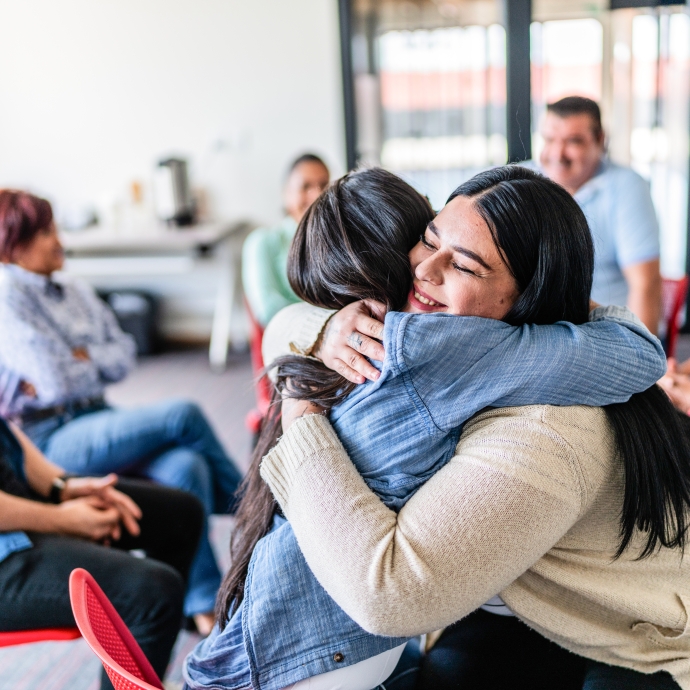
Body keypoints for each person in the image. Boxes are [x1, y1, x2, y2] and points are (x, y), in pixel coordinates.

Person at [184, 167, 667, 690]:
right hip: (471, 601)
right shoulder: (421, 338)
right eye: (430, 239)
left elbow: (387, 598)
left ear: (528, 301)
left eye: (465, 265)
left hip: (609, 642)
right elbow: (282, 326)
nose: (425, 270)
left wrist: (301, 401)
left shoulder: (522, 415)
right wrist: (321, 331)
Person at [0, 189, 243, 636]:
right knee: (182, 414)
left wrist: (76, 357)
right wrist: (87, 357)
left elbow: (125, 353)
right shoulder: (7, 295)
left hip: (97, 415)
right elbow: (54, 382)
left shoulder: (71, 287)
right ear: (15, 243)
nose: (60, 239)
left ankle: (205, 608)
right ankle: (255, 508)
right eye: (46, 231)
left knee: (186, 465)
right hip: (50, 436)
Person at [0, 415, 203, 690]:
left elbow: (6, 434)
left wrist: (63, 487)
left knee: (181, 515)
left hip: (22, 501)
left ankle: (144, 670)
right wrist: (61, 520)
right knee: (153, 593)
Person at [529, 96, 662, 333]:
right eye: (549, 139)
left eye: (573, 141)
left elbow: (645, 285)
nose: (557, 154)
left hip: (604, 335)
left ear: (600, 140)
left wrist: (641, 358)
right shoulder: (519, 181)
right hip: (537, 332)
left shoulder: (627, 186)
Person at [242, 153, 330, 327]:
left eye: (324, 185)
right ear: (286, 193)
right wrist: (331, 322)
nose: (317, 196)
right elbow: (268, 310)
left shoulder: (340, 241)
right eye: (305, 187)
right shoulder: (263, 242)